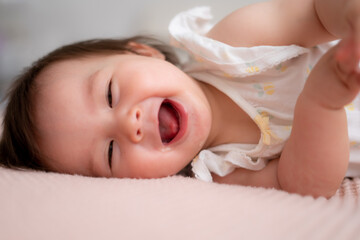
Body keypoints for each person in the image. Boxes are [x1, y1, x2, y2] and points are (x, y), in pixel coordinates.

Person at [1, 0, 360, 198]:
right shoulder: (220, 172)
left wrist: (349, 15)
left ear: (143, 52)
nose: (130, 123)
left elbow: (313, 11)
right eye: (109, 151)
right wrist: (320, 104)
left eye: (110, 94)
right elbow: (306, 185)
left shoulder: (235, 46)